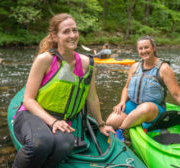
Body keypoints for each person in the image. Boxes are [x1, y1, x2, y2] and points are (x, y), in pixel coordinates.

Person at [12, 13, 115, 168]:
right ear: (55, 36)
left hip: (63, 121)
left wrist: (101, 124)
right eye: (66, 31)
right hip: (32, 114)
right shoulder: (45, 59)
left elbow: (92, 98)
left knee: (65, 145)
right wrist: (53, 121)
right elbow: (28, 99)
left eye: (75, 30)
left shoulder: (87, 63)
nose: (72, 35)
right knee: (40, 143)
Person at [106, 36, 180, 141]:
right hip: (133, 105)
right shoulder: (135, 66)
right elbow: (126, 88)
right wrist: (121, 102)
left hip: (152, 110)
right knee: (110, 122)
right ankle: (130, 124)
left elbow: (178, 94)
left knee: (145, 108)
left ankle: (122, 130)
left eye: (146, 47)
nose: (144, 51)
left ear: (153, 48)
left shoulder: (164, 68)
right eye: (141, 48)